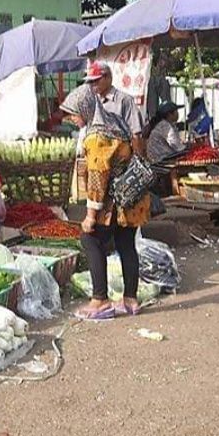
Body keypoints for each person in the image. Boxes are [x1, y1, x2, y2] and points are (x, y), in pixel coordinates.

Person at [75, 60, 150, 322]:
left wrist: (90, 215)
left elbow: (97, 178)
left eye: (96, 81)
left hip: (118, 194)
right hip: (129, 193)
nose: (93, 87)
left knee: (91, 239)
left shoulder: (99, 135)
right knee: (126, 242)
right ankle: (130, 299)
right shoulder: (106, 124)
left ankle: (100, 300)